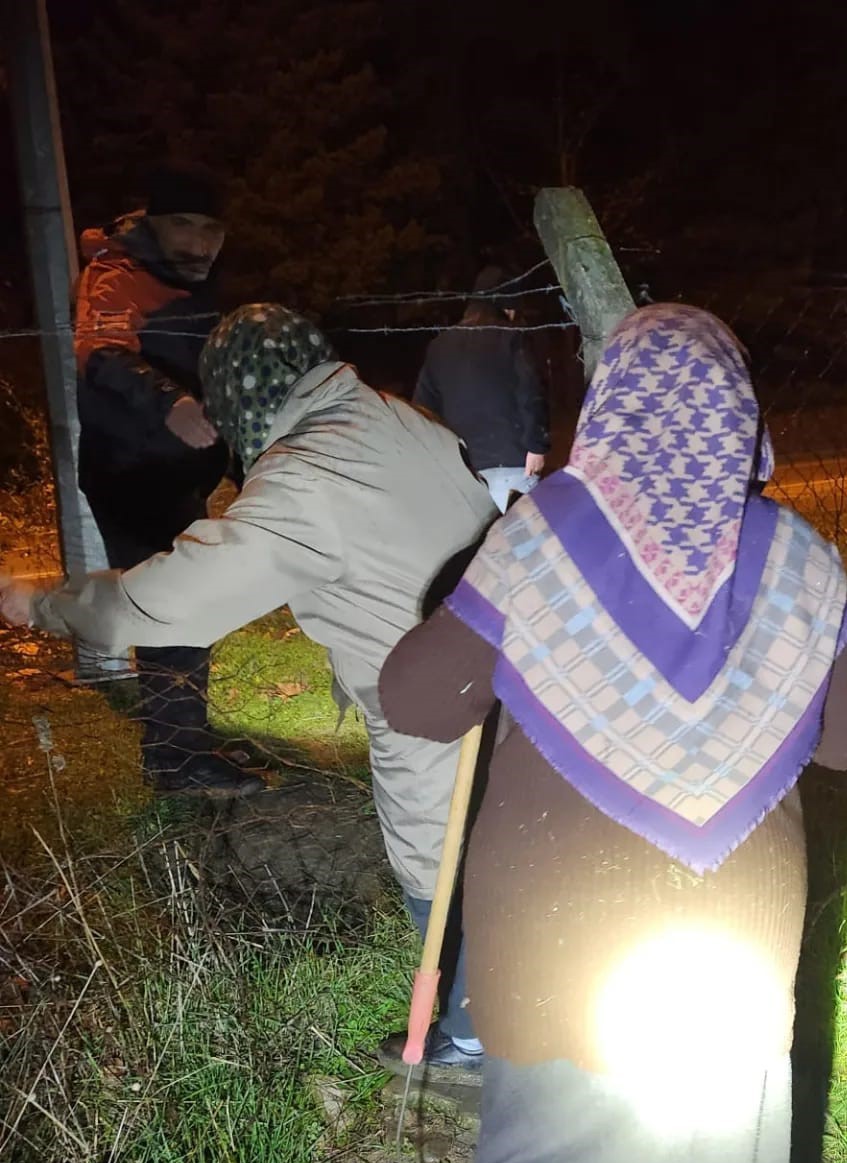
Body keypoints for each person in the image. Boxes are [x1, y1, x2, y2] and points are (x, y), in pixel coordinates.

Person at [378, 303, 847, 1163]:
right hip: (734, 942)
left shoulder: (544, 536)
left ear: (608, 411)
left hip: (557, 944)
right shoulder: (802, 556)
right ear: (741, 422)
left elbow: (414, 699)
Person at [0, 304, 500, 1076]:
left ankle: (473, 1040)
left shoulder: (306, 474)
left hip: (432, 695)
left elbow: (165, 602)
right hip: (504, 664)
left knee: (439, 857)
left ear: (238, 405)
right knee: (496, 840)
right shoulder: (395, 418)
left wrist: (46, 604)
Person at [74, 163, 255, 795]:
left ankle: (183, 739)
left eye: (212, 229)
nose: (200, 241)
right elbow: (100, 354)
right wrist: (169, 404)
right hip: (132, 477)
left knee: (182, 606)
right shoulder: (120, 274)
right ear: (152, 223)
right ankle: (176, 762)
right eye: (184, 225)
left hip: (175, 477)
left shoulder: (183, 280)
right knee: (172, 610)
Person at [413, 265, 550, 514]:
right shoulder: (511, 336)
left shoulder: (439, 346)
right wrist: (536, 446)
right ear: (506, 306)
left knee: (482, 550)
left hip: (464, 473)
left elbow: (422, 409)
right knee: (521, 546)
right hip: (513, 462)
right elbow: (529, 392)